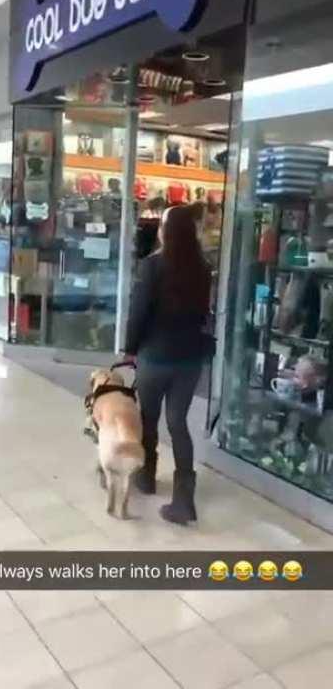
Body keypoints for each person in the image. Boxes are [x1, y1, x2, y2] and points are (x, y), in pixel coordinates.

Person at [124, 204, 212, 525]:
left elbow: (138, 313)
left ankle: (146, 477)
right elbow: (203, 315)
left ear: (167, 231)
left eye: (162, 223)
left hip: (155, 356)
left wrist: (130, 349)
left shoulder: (152, 267)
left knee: (148, 418)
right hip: (189, 359)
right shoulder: (203, 268)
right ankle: (183, 498)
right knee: (178, 423)